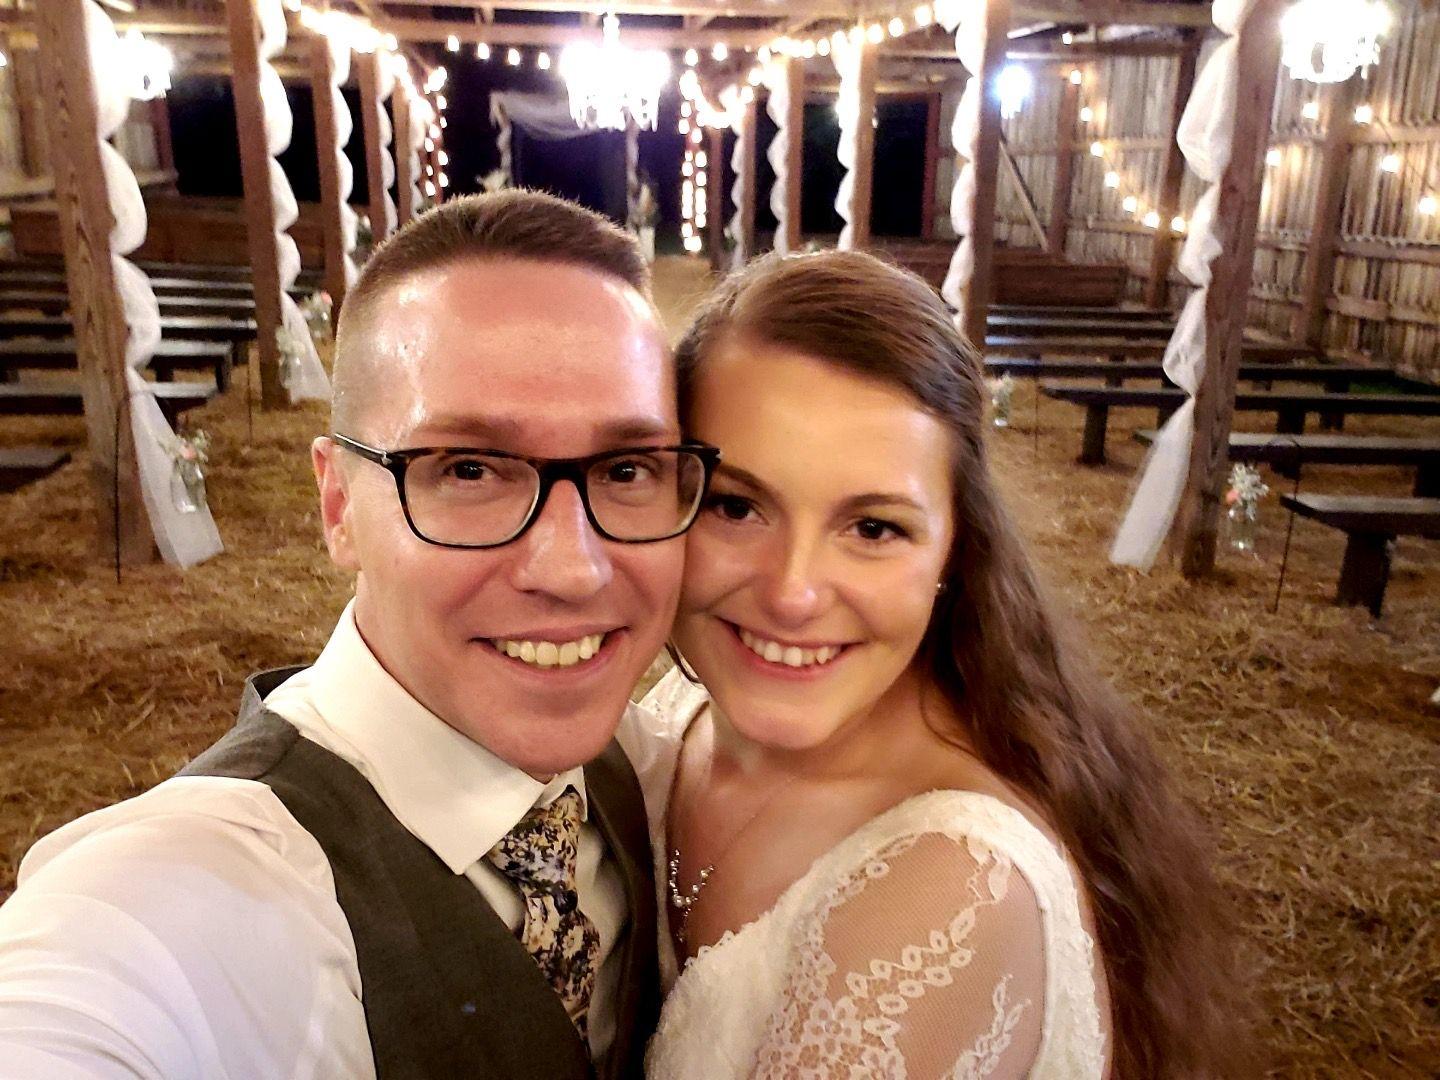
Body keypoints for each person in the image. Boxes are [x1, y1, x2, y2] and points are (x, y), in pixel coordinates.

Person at [0, 190, 719, 1079]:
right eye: (467, 468)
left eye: (625, 469)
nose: (572, 569)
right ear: (338, 504)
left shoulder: (652, 776)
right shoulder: (190, 894)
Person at [620, 250, 1236, 1078]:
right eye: (737, 506)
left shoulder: (950, 891)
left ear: (956, 550)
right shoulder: (680, 711)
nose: (793, 592)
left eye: (873, 528)